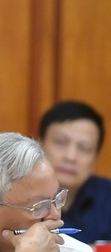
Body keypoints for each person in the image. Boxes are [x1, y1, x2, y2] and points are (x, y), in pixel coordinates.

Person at [39, 100, 111, 244]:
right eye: (60, 142)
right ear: (39, 145)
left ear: (95, 160)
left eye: (84, 148)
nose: (70, 157)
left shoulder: (107, 197)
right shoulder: (16, 197)